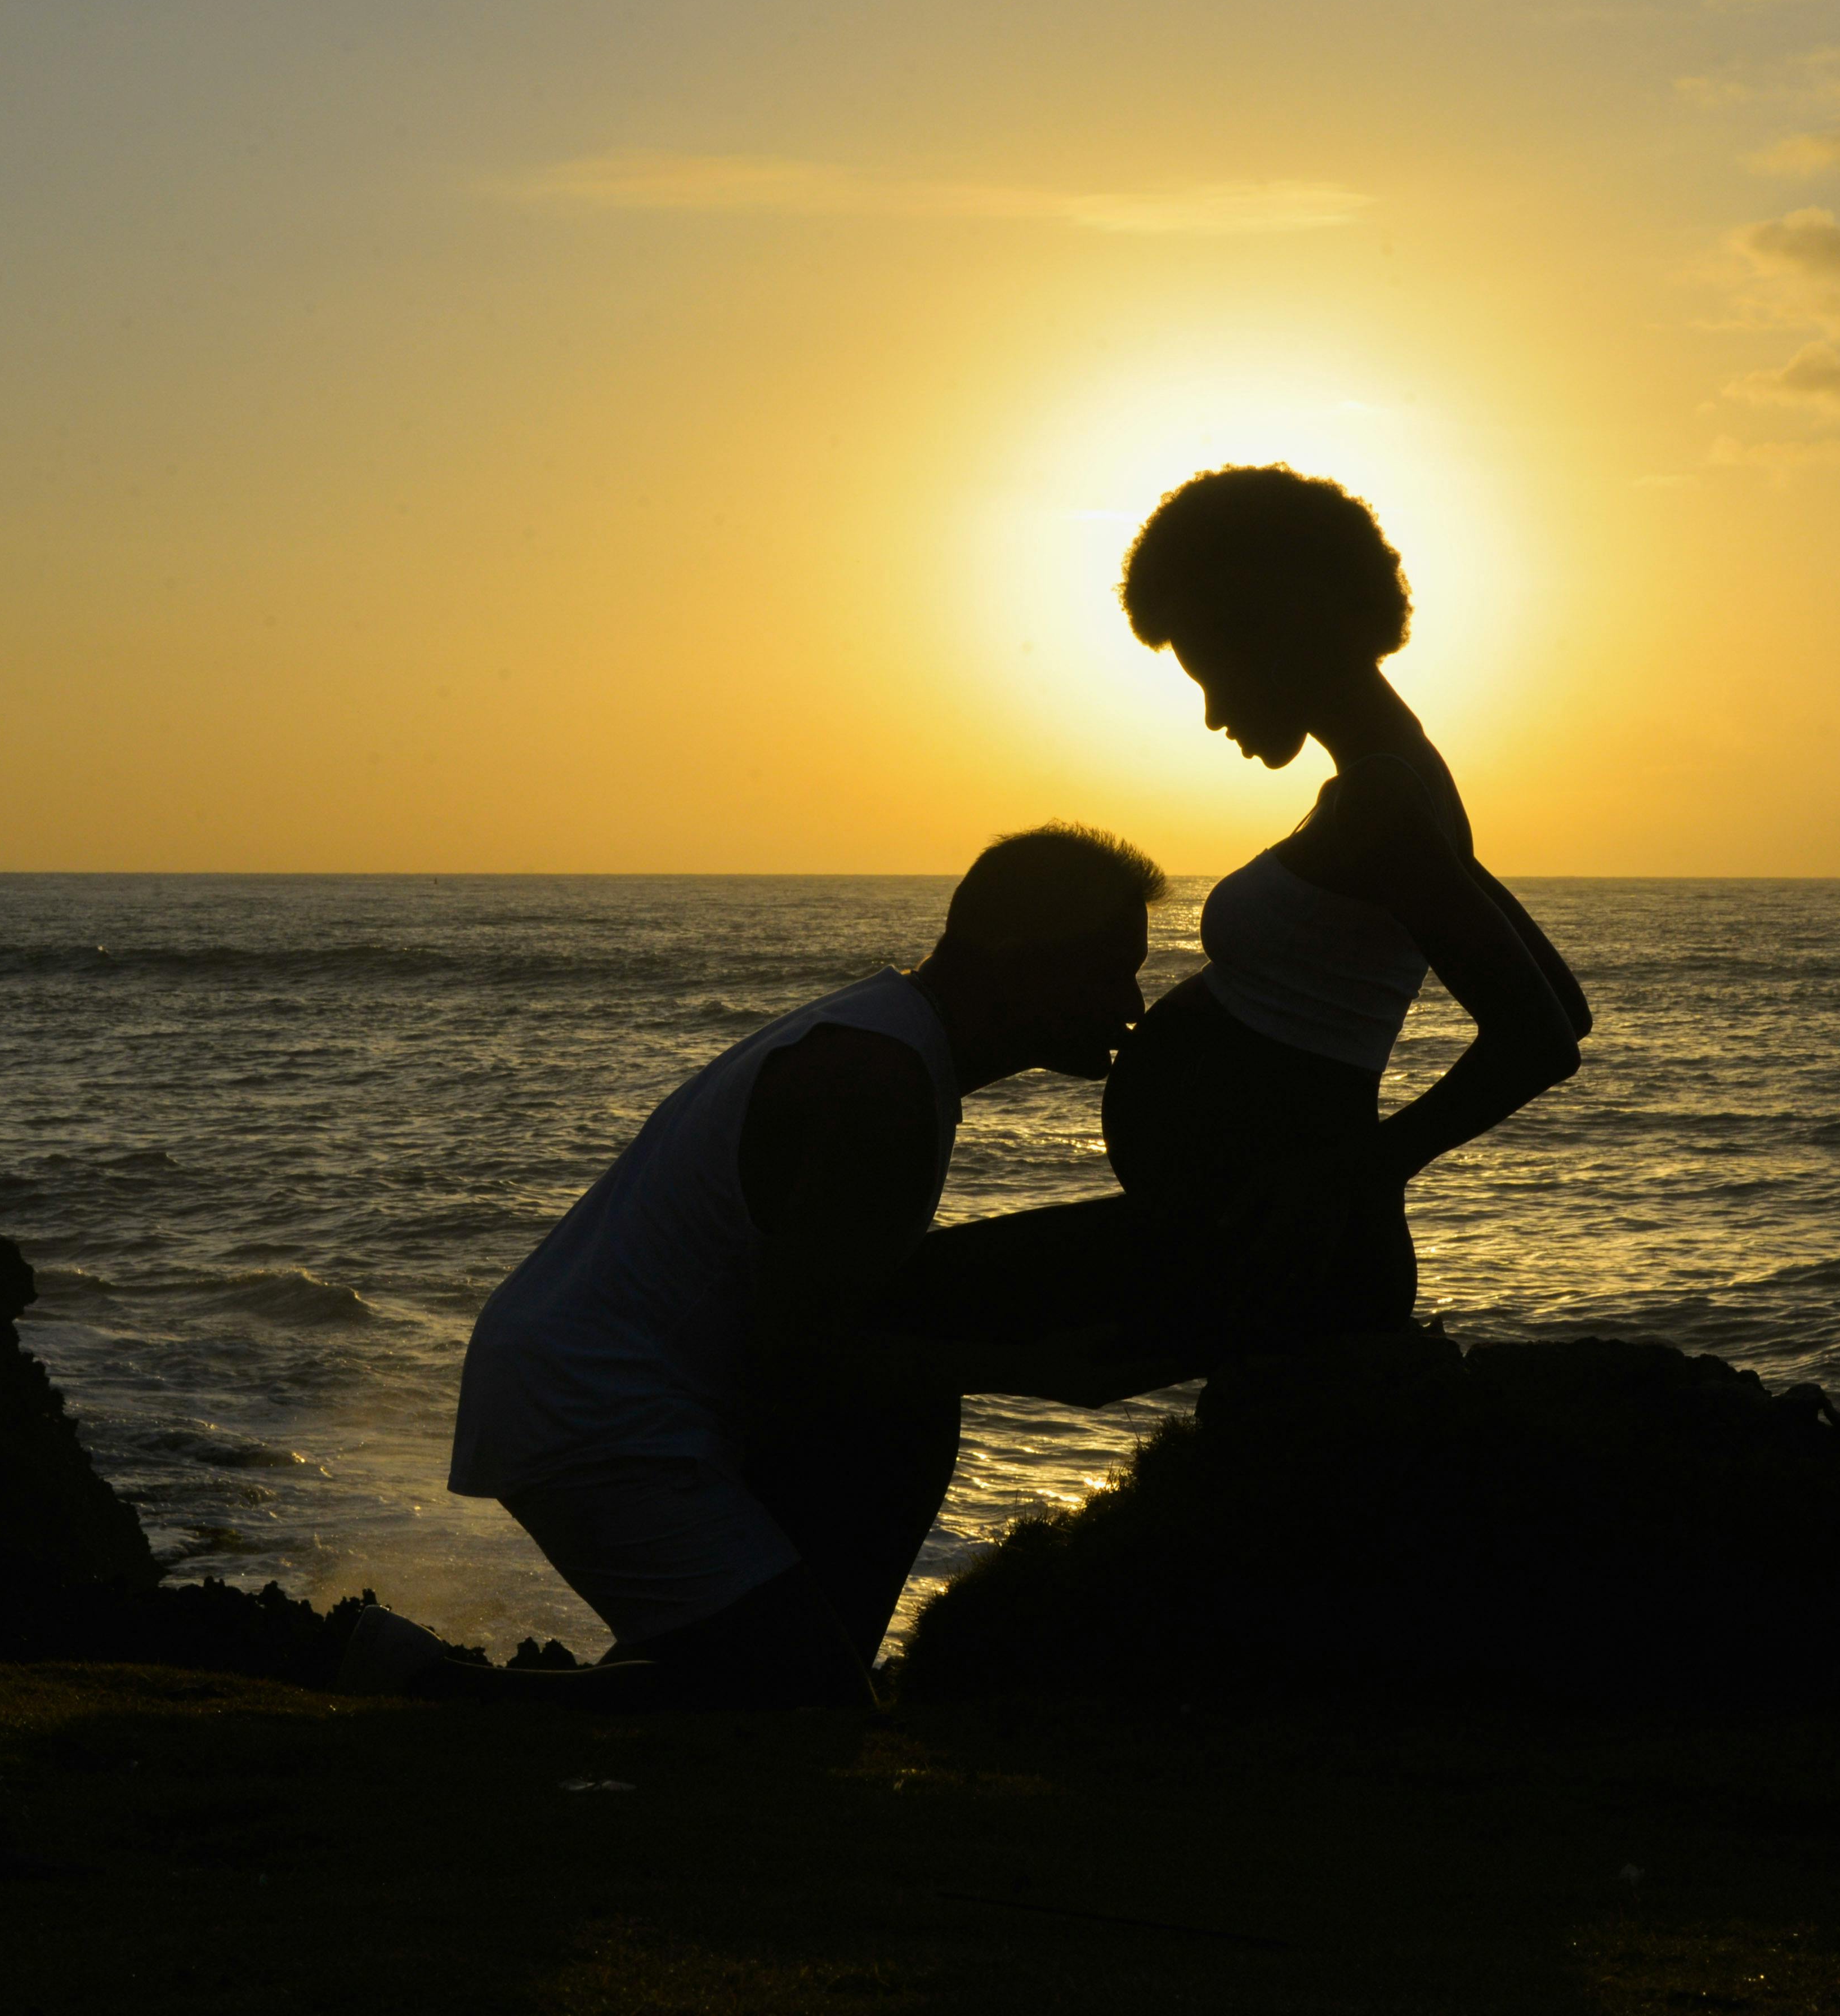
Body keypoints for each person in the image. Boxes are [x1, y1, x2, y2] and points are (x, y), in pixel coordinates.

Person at [346, 824, 1181, 1709]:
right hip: (596, 1409)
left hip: (609, 1389)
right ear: (1016, 958)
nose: (1133, 1006)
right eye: (1108, 972)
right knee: (801, 1709)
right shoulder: (877, 1080)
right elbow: (801, 1350)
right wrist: (1035, 1372)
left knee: (759, 1667)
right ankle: (428, 1691)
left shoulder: (887, 1038)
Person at [914, 466, 1589, 1359]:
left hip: (1283, 1246)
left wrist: (1350, 1176)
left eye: (1214, 671)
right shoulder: (1390, 787)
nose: (1212, 714)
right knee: (910, 1316)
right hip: (1256, 1235)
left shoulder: (1383, 802)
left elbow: (1540, 1038)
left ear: (1284, 628)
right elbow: (1564, 1006)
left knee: (890, 1313)